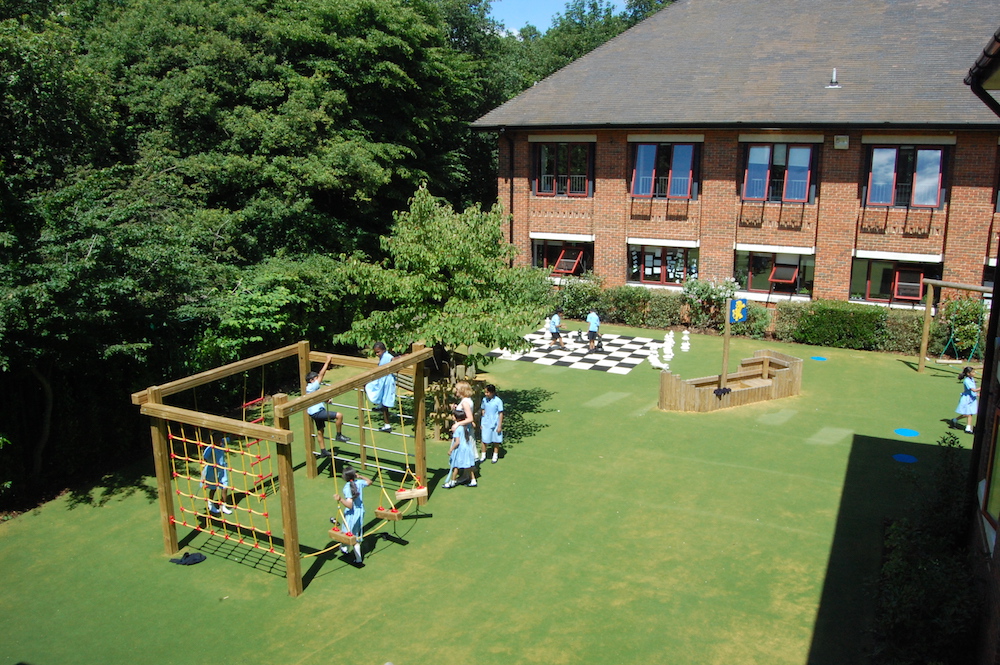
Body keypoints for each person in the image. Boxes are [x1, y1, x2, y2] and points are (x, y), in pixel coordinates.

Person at [306, 354, 350, 458]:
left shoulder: (311, 388)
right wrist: (327, 361)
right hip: (317, 412)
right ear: (312, 380)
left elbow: (316, 397)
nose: (318, 379)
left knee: (320, 431)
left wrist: (325, 400)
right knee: (339, 415)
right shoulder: (312, 386)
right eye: (316, 378)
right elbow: (322, 374)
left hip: (314, 412)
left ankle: (323, 451)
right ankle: (339, 435)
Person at [332, 465, 371, 563]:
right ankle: (345, 549)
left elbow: (349, 505)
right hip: (360, 512)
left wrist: (340, 499)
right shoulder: (359, 482)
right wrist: (360, 476)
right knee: (353, 533)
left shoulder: (347, 488)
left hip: (352, 514)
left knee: (350, 536)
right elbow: (369, 481)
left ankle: (358, 559)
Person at [444, 381, 477, 488]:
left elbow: (470, 418)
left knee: (460, 455)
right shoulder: (466, 401)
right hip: (465, 431)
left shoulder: (465, 402)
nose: (456, 391)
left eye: (457, 389)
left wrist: (457, 424)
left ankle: (461, 477)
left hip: (463, 433)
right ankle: (467, 476)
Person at [365, 342, 396, 432]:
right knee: (369, 386)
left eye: (378, 352)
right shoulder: (383, 357)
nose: (377, 354)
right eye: (376, 352)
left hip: (387, 381)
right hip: (382, 380)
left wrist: (402, 357)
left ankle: (387, 425)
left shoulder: (387, 356)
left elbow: (393, 359)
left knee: (385, 402)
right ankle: (379, 405)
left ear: (383, 350)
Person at [202, 433, 233, 516]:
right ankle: (211, 504)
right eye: (218, 440)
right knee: (213, 488)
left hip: (222, 469)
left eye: (220, 439)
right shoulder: (210, 448)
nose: (220, 441)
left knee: (225, 487)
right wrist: (206, 464)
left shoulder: (222, 442)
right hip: (212, 470)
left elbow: (230, 438)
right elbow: (204, 458)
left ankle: (223, 505)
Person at [480, 384, 504, 464]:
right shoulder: (484, 400)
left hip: (495, 423)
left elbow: (500, 413)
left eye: (487, 392)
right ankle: (483, 455)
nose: (486, 394)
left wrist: (499, 426)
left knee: (496, 440)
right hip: (486, 422)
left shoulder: (498, 401)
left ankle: (495, 455)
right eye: (485, 392)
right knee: (484, 439)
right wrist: (482, 422)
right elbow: (483, 409)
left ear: (492, 392)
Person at [952, 366, 981, 434]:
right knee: (969, 414)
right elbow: (973, 390)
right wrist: (982, 387)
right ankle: (968, 429)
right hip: (967, 399)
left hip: (972, 398)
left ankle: (955, 420)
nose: (974, 373)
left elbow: (973, 391)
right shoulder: (966, 381)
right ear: (968, 373)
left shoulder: (972, 379)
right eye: (973, 372)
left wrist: (977, 394)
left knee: (969, 413)